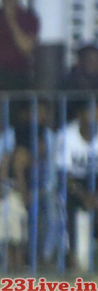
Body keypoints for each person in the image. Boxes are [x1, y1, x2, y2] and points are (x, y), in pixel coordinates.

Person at [57, 103, 98, 267]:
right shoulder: (67, 135)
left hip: (95, 180)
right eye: (91, 112)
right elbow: (63, 175)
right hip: (73, 183)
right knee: (69, 205)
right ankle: (73, 256)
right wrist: (84, 195)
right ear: (80, 115)